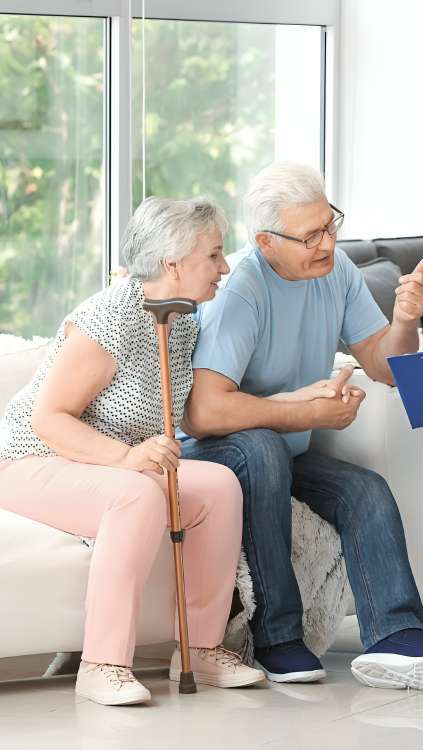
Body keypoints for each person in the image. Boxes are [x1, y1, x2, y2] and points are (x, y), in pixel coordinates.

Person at [179, 161, 423, 692]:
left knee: (364, 490)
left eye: (331, 224)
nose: (327, 241)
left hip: (283, 453)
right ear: (266, 242)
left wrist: (406, 322)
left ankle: (398, 635)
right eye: (311, 234)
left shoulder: (336, 271)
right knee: (266, 448)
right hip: (215, 456)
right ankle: (276, 637)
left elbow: (387, 366)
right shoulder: (240, 291)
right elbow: (203, 413)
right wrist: (304, 413)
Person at [0, 197, 265, 706]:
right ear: (173, 264)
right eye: (214, 255)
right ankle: (103, 664)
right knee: (135, 497)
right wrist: (126, 459)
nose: (225, 267)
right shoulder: (109, 318)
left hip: (103, 464)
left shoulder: (183, 320)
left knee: (219, 487)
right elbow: (48, 420)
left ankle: (201, 650)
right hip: (31, 460)